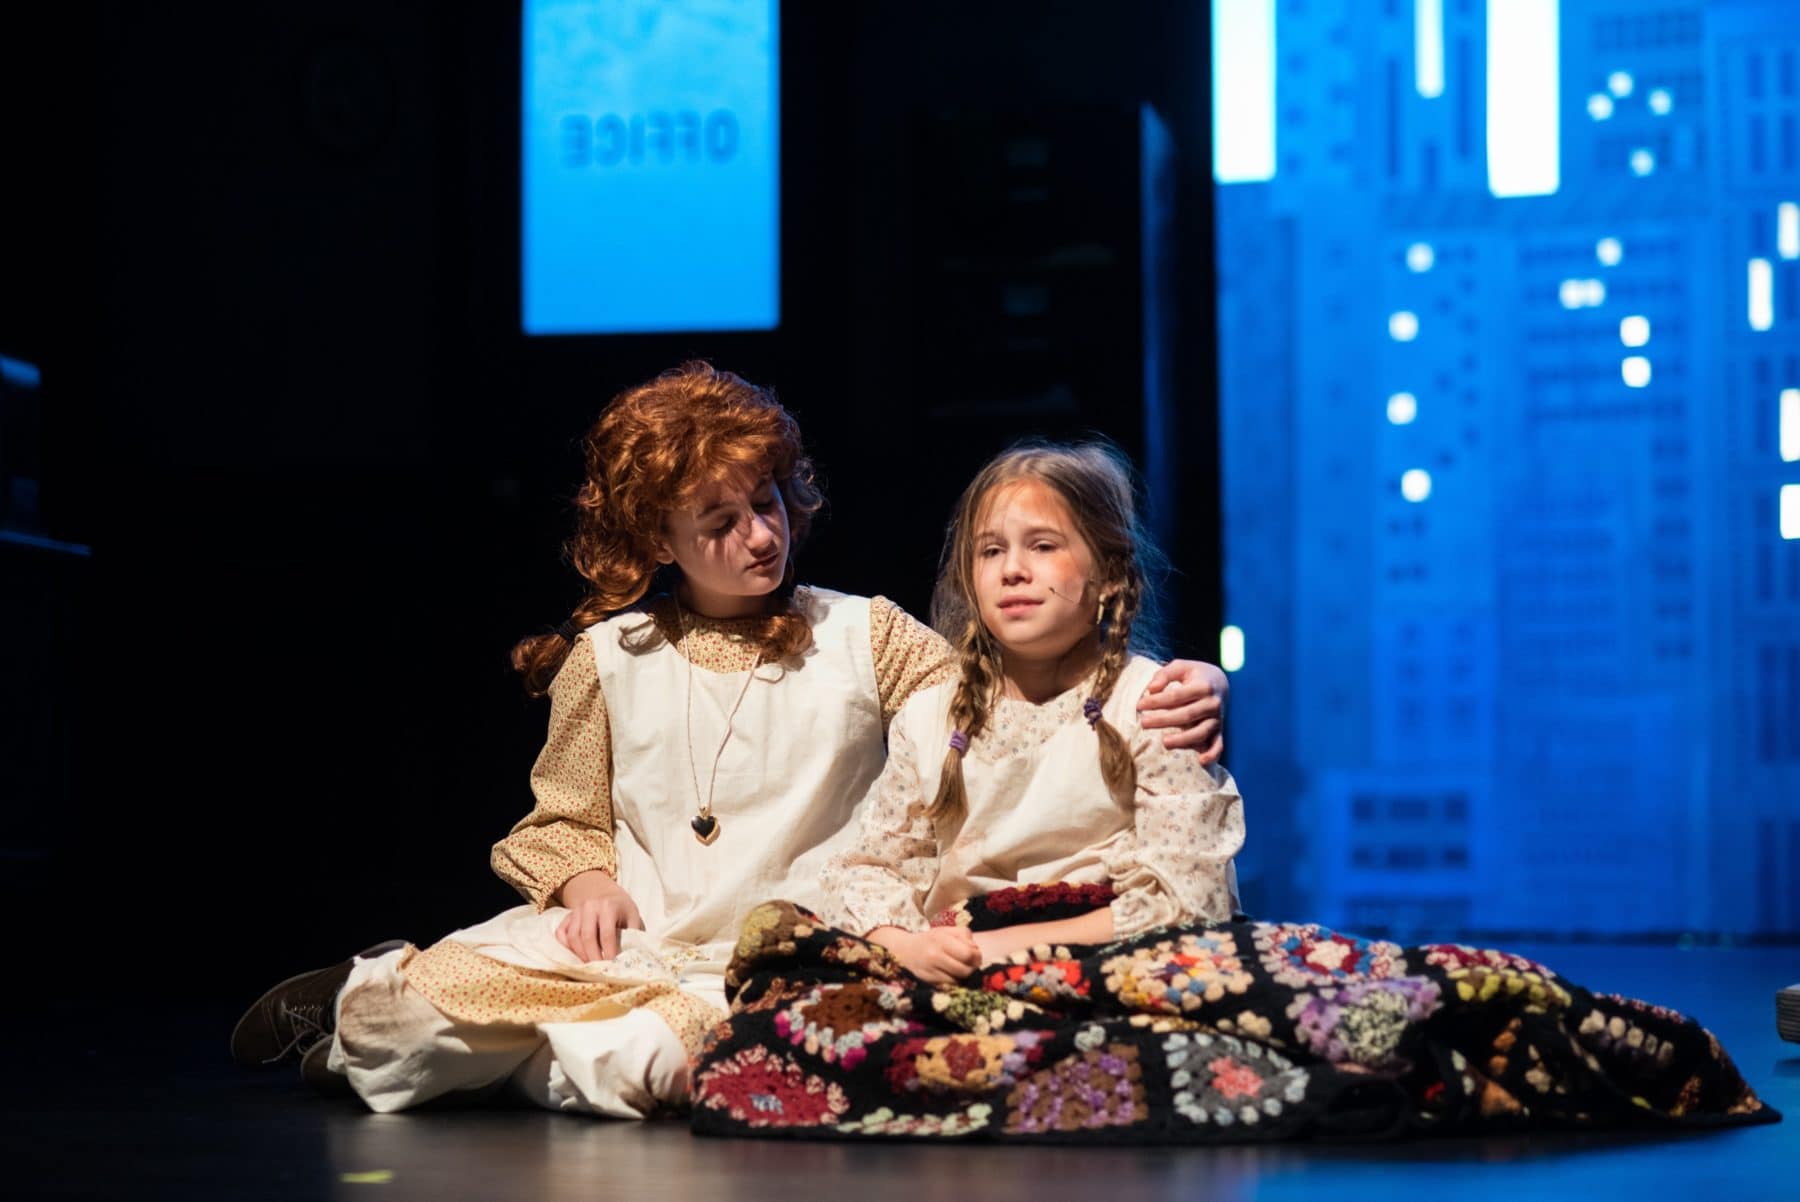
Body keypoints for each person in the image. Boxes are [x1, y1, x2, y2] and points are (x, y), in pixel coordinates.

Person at [229, 363, 1231, 1117]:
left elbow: (1007, 694)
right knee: (411, 1015)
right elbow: (566, 815)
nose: (759, 534)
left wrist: (1194, 679)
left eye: (766, 504)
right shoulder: (613, 655)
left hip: (761, 954)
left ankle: (497, 1055)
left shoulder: (865, 633)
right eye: (719, 518)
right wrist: (584, 883)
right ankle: (356, 1012)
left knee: (652, 1063)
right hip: (625, 935)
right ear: (657, 535)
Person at [823, 440, 1244, 979]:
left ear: (1109, 573)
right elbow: (871, 869)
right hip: (953, 962)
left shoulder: (1154, 705)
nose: (1013, 570)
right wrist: (906, 946)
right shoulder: (930, 719)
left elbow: (1187, 895)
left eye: (1043, 546)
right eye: (991, 551)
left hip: (1110, 961)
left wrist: (1006, 948)